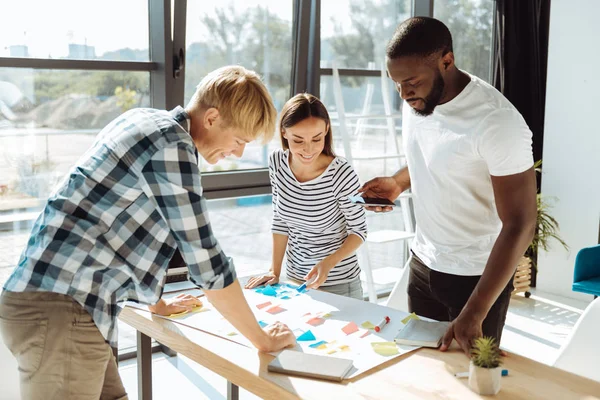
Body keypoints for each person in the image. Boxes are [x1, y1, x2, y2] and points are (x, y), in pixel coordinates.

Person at [0, 65, 296, 400]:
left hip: (58, 303)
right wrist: (263, 340)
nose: (239, 153)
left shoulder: (143, 120)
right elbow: (206, 261)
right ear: (212, 118)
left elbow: (118, 227)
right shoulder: (173, 146)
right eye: (239, 140)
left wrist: (157, 304)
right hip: (62, 309)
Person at [360, 17, 537, 356]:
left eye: (411, 82)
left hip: (475, 278)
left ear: (447, 62)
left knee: (471, 383)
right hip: (423, 264)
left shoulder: (497, 122)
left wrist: (475, 311)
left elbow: (522, 223)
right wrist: (398, 182)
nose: (404, 93)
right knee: (420, 371)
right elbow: (439, 153)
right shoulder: (418, 100)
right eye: (396, 84)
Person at [245, 93, 367, 300]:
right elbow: (280, 220)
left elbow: (359, 231)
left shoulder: (341, 173)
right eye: (298, 140)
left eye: (316, 139)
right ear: (284, 132)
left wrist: (327, 263)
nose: (308, 149)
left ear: (327, 129)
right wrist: (274, 271)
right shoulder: (277, 162)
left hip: (338, 284)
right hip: (294, 280)